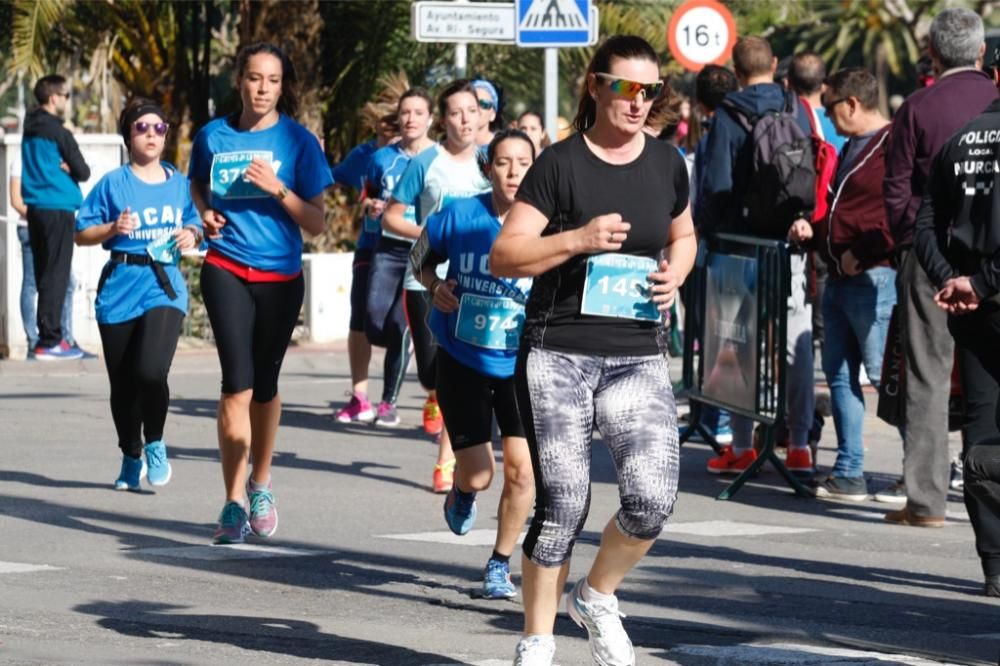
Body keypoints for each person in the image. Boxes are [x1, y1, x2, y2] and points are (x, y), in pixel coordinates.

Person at [490, 35, 696, 666]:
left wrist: (676, 273)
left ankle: (597, 594)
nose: (640, 102)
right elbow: (505, 254)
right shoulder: (559, 164)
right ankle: (537, 638)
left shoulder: (667, 163)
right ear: (597, 86)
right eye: (628, 88)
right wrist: (578, 238)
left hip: (637, 352)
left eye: (651, 90)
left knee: (652, 499)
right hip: (559, 351)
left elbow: (684, 235)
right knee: (565, 502)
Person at [189, 42, 333, 544]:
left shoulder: (298, 143)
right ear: (240, 81)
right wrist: (203, 213)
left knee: (265, 387)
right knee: (236, 383)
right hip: (226, 265)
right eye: (254, 78)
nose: (262, 88)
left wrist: (277, 188)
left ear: (282, 86)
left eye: (272, 80)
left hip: (279, 276)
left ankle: (261, 482)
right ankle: (231, 501)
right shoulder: (213, 136)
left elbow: (316, 223)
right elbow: (197, 187)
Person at [883, 7, 998, 527]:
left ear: (930, 52)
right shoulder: (991, 102)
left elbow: (899, 191)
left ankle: (926, 500)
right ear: (980, 52)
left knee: (927, 379)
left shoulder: (917, 107)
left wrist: (919, 250)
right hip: (990, 267)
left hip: (930, 259)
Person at [413, 129, 536, 600]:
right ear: (488, 168)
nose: (513, 172)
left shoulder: (548, 225)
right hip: (462, 357)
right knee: (481, 473)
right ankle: (463, 490)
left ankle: (499, 565)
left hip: (520, 363)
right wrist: (433, 285)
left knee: (522, 472)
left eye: (523, 163)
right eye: (503, 162)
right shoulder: (460, 215)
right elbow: (420, 257)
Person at [698, 36, 817, 476]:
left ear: (738, 68)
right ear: (773, 63)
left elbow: (718, 184)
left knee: (736, 343)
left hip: (739, 245)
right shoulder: (796, 106)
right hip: (790, 243)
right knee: (796, 345)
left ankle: (743, 445)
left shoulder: (728, 113)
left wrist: (709, 231)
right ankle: (800, 443)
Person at [74, 97, 201, 490]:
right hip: (119, 288)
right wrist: (112, 228)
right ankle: (131, 452)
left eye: (158, 128)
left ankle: (156, 442)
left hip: (163, 286)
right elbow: (81, 234)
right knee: (123, 385)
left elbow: (197, 223)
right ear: (129, 134)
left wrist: (191, 233)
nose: (151, 134)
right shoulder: (113, 183)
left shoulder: (179, 183)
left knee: (150, 370)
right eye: (142, 127)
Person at [912, 86, 1000, 595]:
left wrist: (953, 278)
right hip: (981, 296)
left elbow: (925, 225)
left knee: (982, 433)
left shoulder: (959, 140)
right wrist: (980, 283)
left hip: (972, 310)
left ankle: (994, 562)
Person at [382, 79, 490, 493]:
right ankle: (432, 394)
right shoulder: (426, 162)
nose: (465, 119)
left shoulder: (490, 161)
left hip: (477, 281)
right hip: (425, 277)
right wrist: (429, 232)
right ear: (443, 120)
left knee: (461, 371)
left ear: (482, 116)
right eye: (456, 113)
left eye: (472, 111)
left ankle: (448, 460)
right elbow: (391, 216)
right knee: (432, 372)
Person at [806, 69, 897, 500]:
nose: (827, 117)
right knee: (840, 376)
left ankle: (919, 471)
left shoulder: (891, 144)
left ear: (851, 104)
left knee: (884, 376)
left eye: (829, 108)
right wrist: (815, 231)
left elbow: (901, 212)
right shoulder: (852, 146)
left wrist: (861, 254)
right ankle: (848, 470)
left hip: (872, 277)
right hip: (840, 277)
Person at [357, 88, 437, 427]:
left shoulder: (441, 159)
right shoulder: (382, 158)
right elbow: (366, 197)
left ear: (430, 119)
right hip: (387, 248)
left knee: (402, 324)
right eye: (405, 112)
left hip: (425, 252)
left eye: (418, 113)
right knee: (375, 324)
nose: (411, 119)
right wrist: (372, 207)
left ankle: (389, 402)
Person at [332, 83, 407, 425]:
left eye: (397, 126)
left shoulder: (422, 156)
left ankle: (415, 398)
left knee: (404, 323)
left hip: (410, 249)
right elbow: (331, 179)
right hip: (371, 246)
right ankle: (360, 397)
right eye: (384, 128)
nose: (390, 134)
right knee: (361, 320)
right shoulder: (368, 156)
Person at [21, 74, 91, 360]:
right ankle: (51, 340)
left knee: (43, 272)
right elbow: (83, 171)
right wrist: (69, 167)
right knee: (57, 273)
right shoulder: (60, 132)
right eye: (65, 95)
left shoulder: (30, 129)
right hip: (58, 206)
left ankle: (44, 338)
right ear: (54, 98)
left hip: (35, 208)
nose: (66, 100)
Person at [9, 155, 88, 359]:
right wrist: (43, 218)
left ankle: (64, 338)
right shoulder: (22, 160)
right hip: (31, 229)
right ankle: (35, 341)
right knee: (32, 284)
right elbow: (16, 200)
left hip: (56, 229)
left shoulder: (59, 161)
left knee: (67, 282)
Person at [472, 79, 502, 151]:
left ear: (493, 115)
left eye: (484, 104)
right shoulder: (450, 146)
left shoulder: (503, 146)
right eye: (473, 102)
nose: (477, 108)